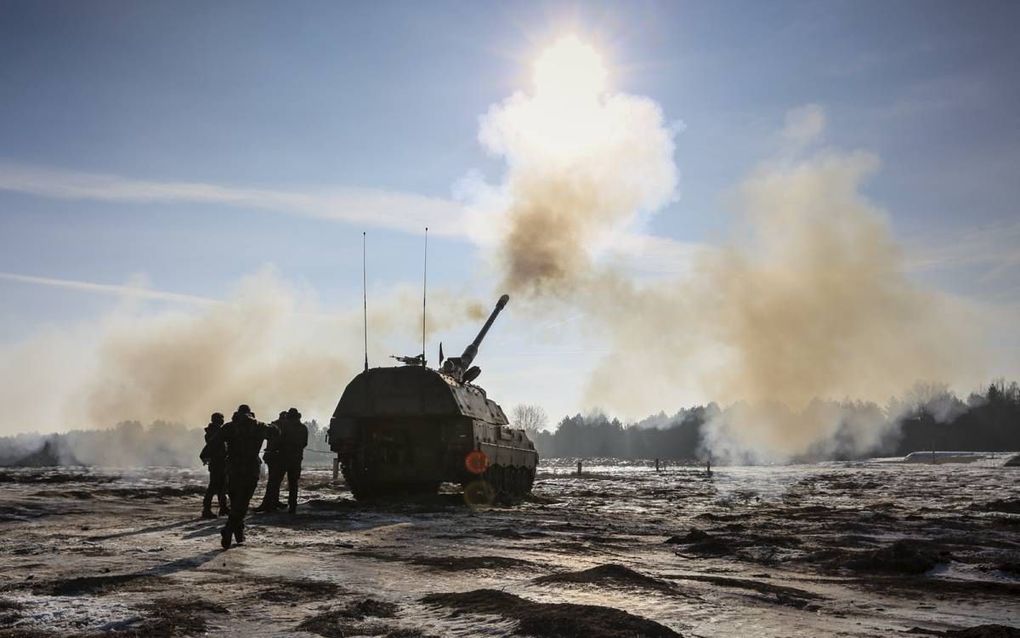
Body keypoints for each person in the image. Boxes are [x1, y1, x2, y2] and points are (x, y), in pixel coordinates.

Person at [211, 404, 268, 549]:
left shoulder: (229, 427)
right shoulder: (259, 425)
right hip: (250, 469)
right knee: (242, 503)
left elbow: (214, 442)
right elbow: (276, 432)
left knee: (236, 500)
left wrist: (207, 455)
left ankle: (238, 533)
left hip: (233, 469)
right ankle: (229, 529)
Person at [253, 412, 287, 513]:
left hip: (272, 456)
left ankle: (272, 502)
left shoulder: (274, 426)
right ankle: (270, 503)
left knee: (274, 482)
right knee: (274, 482)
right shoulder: (280, 427)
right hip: (277, 457)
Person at [199, 412, 229, 519]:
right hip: (218, 462)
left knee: (222, 486)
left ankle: (223, 507)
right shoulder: (215, 433)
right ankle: (207, 510)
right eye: (221, 418)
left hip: (219, 462)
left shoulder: (214, 431)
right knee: (214, 487)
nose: (223, 420)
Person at [278, 408, 309, 514]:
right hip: (296, 458)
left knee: (277, 482)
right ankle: (292, 506)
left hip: (284, 458)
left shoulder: (285, 427)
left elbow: (279, 441)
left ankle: (274, 503)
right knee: (293, 483)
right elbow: (304, 443)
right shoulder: (303, 428)